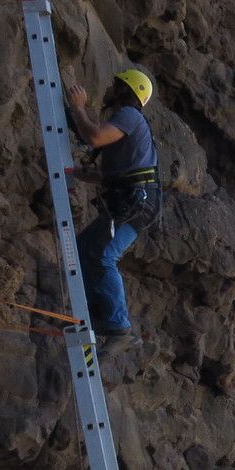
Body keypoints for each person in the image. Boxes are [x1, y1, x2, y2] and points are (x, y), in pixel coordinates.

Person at [66, 68, 162, 359]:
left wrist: (78, 107)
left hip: (135, 205)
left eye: (114, 84)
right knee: (83, 249)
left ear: (126, 90)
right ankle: (99, 318)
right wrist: (81, 175)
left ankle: (119, 328)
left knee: (103, 255)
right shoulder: (129, 123)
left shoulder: (130, 116)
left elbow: (94, 137)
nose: (108, 88)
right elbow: (120, 174)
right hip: (133, 202)